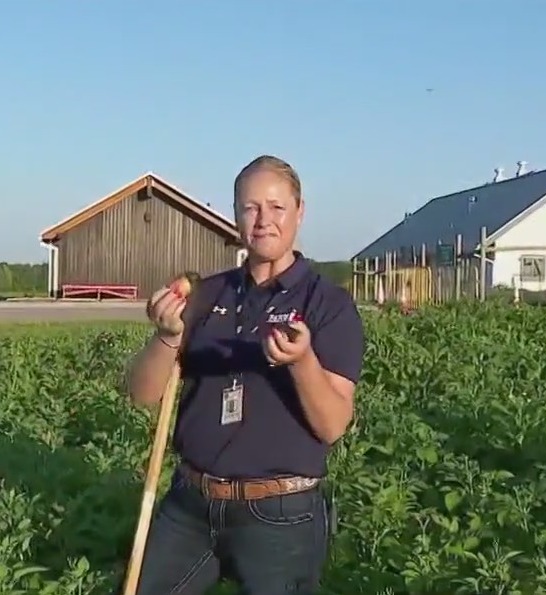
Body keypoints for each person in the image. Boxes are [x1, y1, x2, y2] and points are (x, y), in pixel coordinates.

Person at [122, 154, 365, 594]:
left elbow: (333, 424)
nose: (263, 221)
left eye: (276, 207)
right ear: (235, 214)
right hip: (192, 504)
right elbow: (141, 394)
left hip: (281, 512)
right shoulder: (206, 294)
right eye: (250, 207)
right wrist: (167, 336)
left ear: (299, 212)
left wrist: (301, 360)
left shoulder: (328, 305)